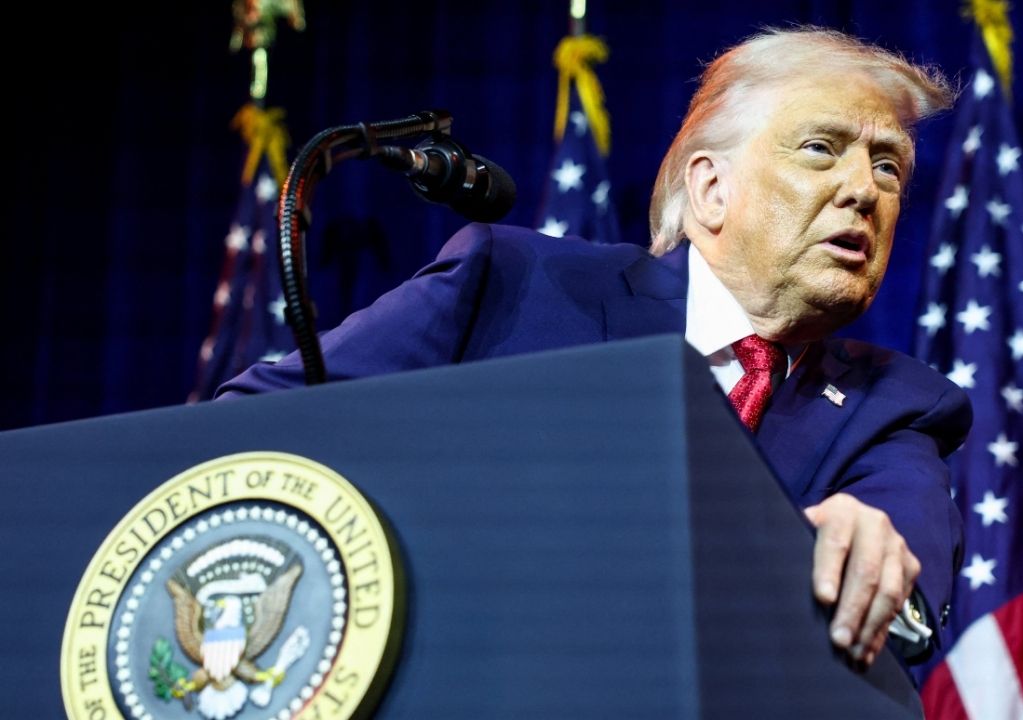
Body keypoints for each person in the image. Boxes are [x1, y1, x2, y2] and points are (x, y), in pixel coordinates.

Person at [219, 27, 969, 672]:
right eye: (821, 149)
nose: (864, 190)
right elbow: (250, 427)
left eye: (888, 166)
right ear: (711, 189)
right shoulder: (514, 283)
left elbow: (902, 576)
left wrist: (872, 557)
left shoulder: (896, 407)